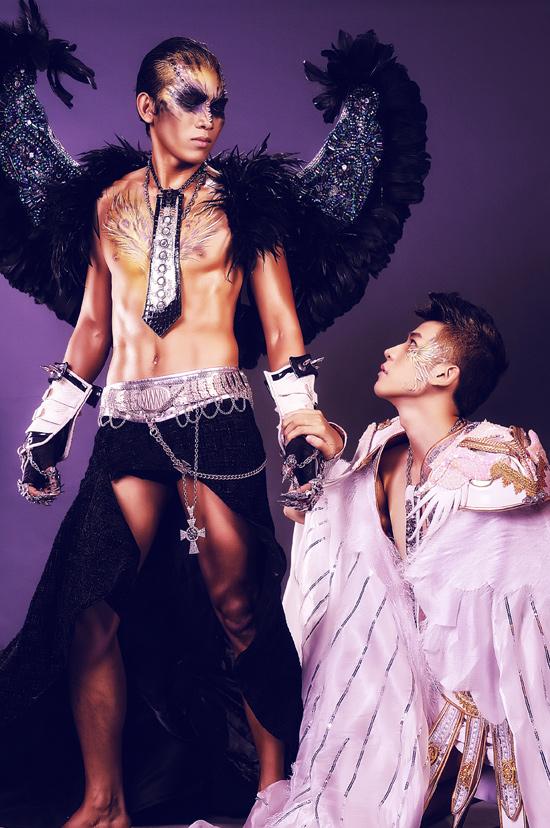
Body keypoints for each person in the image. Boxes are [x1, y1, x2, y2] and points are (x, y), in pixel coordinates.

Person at [0, 4, 429, 827]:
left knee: (240, 608)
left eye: (219, 104)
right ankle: (104, 801)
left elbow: (280, 328)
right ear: (147, 106)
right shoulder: (104, 204)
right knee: (88, 607)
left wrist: (299, 425)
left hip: (215, 419)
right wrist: (49, 424)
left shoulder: (248, 205)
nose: (210, 118)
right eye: (191, 99)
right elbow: (93, 327)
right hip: (125, 423)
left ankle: (272, 787)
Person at [280, 292, 550, 827]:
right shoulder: (381, 447)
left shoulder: (499, 453)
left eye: (412, 343)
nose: (391, 350)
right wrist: (331, 461)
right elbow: (321, 527)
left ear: (446, 373)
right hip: (386, 693)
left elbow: (523, 504)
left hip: (471, 695)